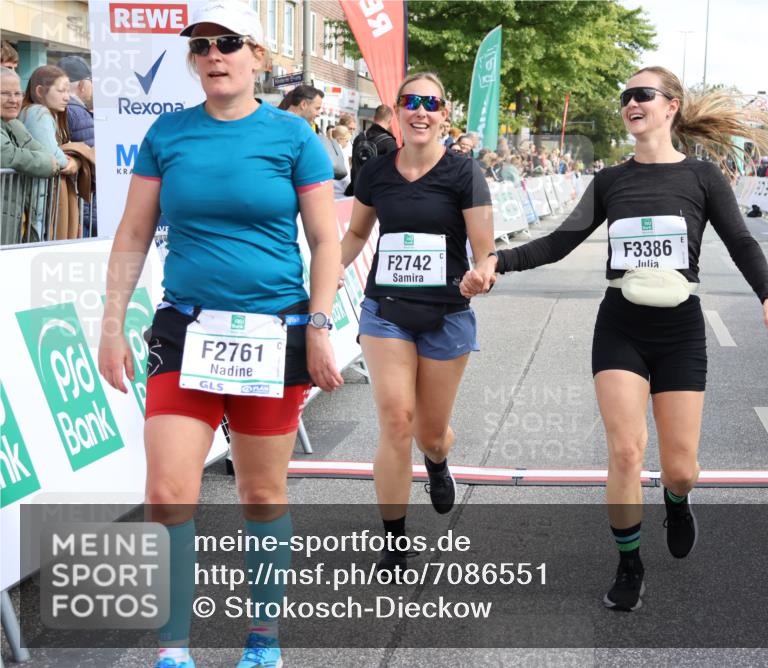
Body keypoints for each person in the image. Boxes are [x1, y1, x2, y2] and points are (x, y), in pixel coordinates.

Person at [465, 65, 768, 613]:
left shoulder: (704, 178)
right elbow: (561, 242)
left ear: (671, 107)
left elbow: (740, 240)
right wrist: (499, 260)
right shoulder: (611, 181)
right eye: (626, 97)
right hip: (621, 326)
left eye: (643, 95)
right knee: (626, 450)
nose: (631, 103)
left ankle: (677, 499)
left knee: (682, 466)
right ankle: (629, 564)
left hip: (680, 329)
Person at [97, 3, 343, 667]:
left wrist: (319, 324)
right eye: (202, 45)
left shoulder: (294, 136)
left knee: (261, 493)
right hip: (186, 333)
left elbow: (325, 240)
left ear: (257, 57)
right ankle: (173, 650)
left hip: (274, 332)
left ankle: (263, 643)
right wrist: (112, 322)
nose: (213, 55)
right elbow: (133, 232)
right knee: (168, 492)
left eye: (229, 43)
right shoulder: (168, 135)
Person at [340, 71, 494, 574]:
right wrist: (318, 280)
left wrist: (482, 275)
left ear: (444, 113)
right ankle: (395, 538)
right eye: (411, 101)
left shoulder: (464, 172)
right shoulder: (376, 172)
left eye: (431, 102)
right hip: (385, 311)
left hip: (446, 314)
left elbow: (485, 249)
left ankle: (437, 459)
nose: (420, 110)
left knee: (429, 432)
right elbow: (355, 236)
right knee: (395, 419)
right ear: (398, 111)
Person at [18, 65, 80, 241]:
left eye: (68, 91)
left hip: (36, 198)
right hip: (37, 199)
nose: (67, 97)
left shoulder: (36, 112)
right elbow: (52, 155)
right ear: (39, 91)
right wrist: (73, 162)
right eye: (61, 91)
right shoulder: (38, 112)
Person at [1, 67, 60, 245]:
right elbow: (8, 156)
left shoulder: (12, 123)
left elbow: (46, 154)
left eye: (17, 93)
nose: (13, 100)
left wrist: (16, 126)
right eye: (4, 93)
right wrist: (48, 164)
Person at [56, 55, 96, 236]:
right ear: (82, 85)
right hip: (83, 204)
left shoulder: (60, 109)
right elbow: (92, 159)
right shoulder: (78, 113)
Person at [279, 84, 348, 180]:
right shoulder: (298, 129)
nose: (318, 114)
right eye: (317, 108)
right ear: (303, 105)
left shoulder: (279, 121)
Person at [345, 103, 395, 196]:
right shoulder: (389, 142)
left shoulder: (359, 138)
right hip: (377, 195)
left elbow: (354, 167)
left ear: (374, 118)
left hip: (357, 191)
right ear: (390, 121)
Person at [331, 124, 353, 198]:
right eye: (347, 141)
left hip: (330, 194)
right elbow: (347, 179)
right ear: (340, 139)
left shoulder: (328, 149)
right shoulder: (342, 154)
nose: (347, 143)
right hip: (341, 195)